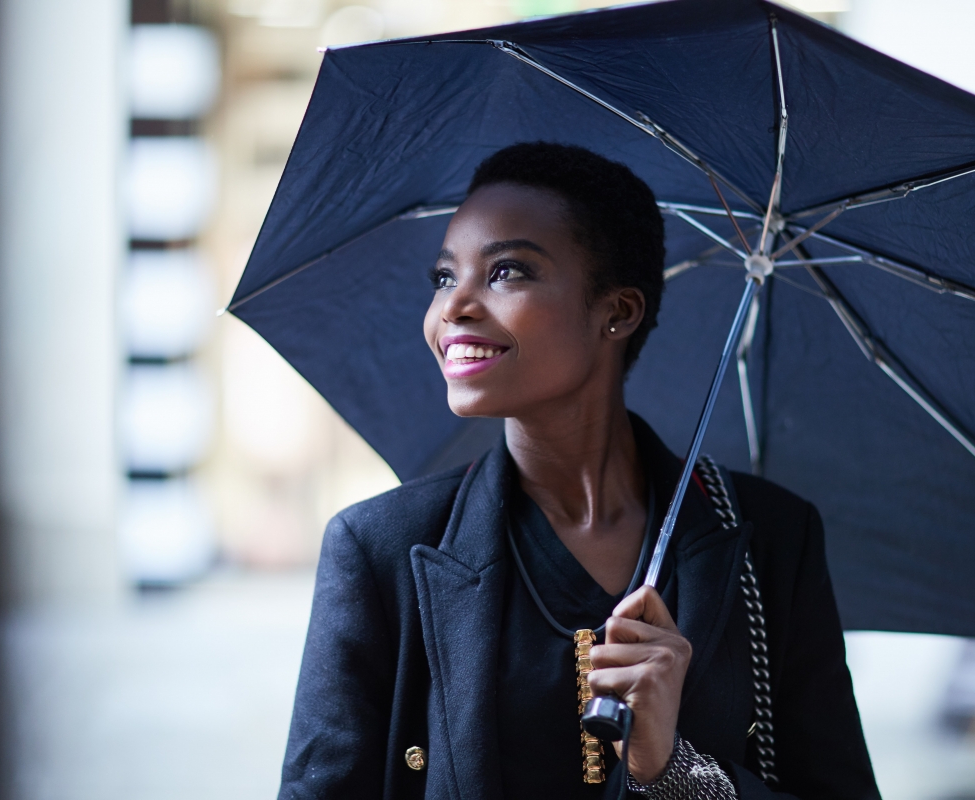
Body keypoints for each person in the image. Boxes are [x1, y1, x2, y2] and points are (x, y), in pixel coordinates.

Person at [278, 142, 879, 799]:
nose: (455, 307)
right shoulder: (379, 551)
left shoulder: (772, 539)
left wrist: (673, 771)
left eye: (507, 272)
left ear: (616, 312)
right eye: (446, 277)